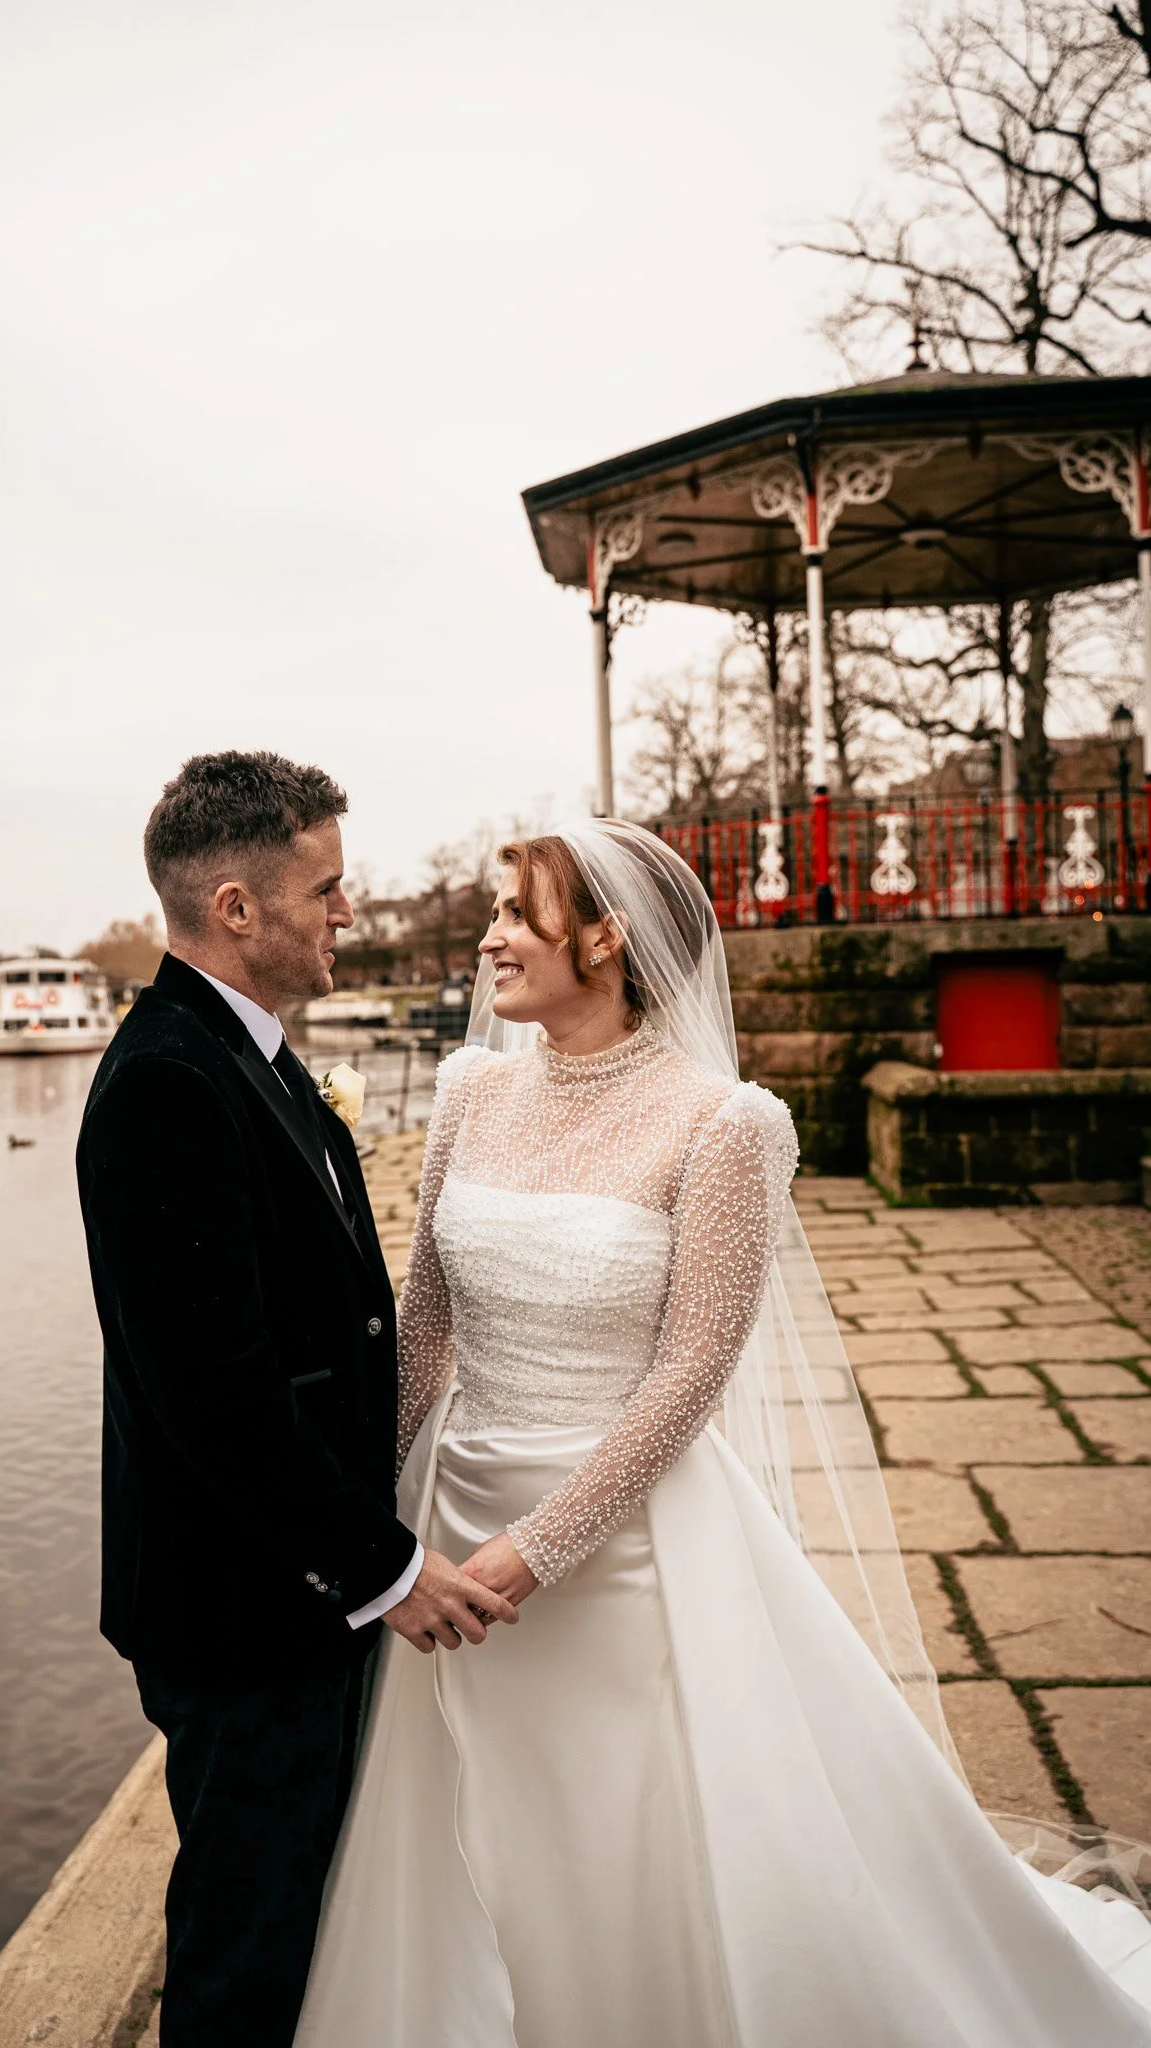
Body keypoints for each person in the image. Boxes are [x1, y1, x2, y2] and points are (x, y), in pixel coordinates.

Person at [295, 818, 1151, 2047]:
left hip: (622, 1545)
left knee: (625, 1828)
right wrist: (380, 1524)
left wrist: (542, 1545)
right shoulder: (473, 1089)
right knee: (447, 1817)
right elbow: (427, 1314)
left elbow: (692, 1372)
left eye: (515, 914)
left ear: (608, 936)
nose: (486, 938)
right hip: (450, 1512)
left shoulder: (724, 1124)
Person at [75, 750, 515, 2048]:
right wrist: (385, 1567)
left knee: (299, 1912)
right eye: (328, 889)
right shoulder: (166, 1082)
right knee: (243, 1948)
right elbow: (216, 1398)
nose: (350, 914)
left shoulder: (250, 1059)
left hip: (291, 1590)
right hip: (241, 1608)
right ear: (236, 910)